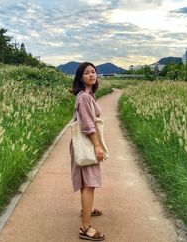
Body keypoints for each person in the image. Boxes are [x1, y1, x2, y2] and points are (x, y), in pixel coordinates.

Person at [69, 62, 105, 241]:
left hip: (84, 143)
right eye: (86, 73)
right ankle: (86, 228)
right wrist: (97, 145)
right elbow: (88, 125)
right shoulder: (84, 97)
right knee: (89, 182)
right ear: (80, 78)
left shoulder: (89, 95)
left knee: (86, 180)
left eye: (93, 72)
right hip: (86, 143)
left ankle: (87, 210)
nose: (91, 75)